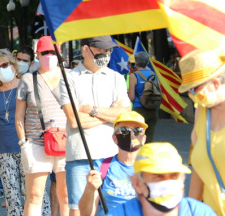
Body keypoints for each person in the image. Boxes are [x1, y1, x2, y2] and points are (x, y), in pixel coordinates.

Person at [59, 36, 130, 216]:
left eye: (108, 50)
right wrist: (109, 115)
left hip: (110, 155)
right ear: (86, 49)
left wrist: (93, 111)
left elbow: (124, 115)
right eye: (101, 50)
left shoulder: (116, 78)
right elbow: (74, 121)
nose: (106, 54)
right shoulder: (69, 78)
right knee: (78, 209)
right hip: (80, 155)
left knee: (110, 209)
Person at [0, 50, 49, 215]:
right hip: (3, 150)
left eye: (5, 65)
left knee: (33, 191)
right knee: (11, 195)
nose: (1, 69)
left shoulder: (26, 85)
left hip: (27, 146)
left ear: (13, 66)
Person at [16, 37, 66, 216]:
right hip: (36, 143)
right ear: (38, 54)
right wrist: (24, 143)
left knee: (65, 196)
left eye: (53, 52)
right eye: (45, 52)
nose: (49, 56)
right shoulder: (28, 79)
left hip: (66, 143)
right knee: (35, 195)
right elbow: (19, 116)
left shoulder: (69, 77)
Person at [107, 143, 216, 215]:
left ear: (182, 180)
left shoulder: (201, 213)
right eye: (158, 176)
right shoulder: (119, 214)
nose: (167, 182)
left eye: (174, 175)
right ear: (137, 184)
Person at [178, 49, 225, 215]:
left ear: (216, 84)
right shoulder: (202, 112)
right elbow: (199, 169)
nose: (191, 95)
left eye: (194, 90)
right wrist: (190, 210)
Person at [79, 111, 148, 215]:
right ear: (115, 138)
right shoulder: (101, 167)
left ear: (144, 139)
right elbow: (85, 213)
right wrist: (90, 188)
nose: (132, 134)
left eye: (137, 130)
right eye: (124, 130)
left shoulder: (150, 169)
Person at [127, 52, 159, 143]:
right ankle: (147, 156)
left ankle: (137, 156)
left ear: (136, 63)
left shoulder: (134, 76)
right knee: (149, 139)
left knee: (136, 139)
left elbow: (132, 98)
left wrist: (128, 92)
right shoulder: (153, 74)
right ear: (147, 63)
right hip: (153, 110)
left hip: (139, 110)